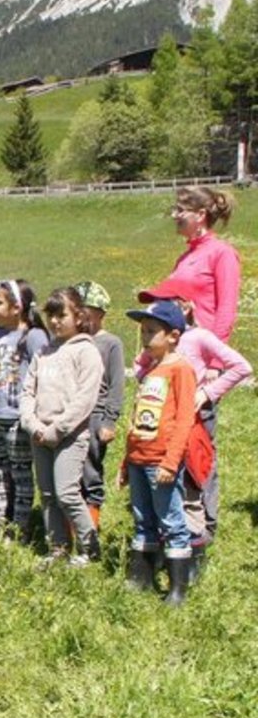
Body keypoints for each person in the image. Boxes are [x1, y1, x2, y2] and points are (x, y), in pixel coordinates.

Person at [134, 277, 252, 561]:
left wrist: (207, 393)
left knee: (193, 479)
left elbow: (241, 366)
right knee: (165, 484)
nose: (153, 310)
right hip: (161, 427)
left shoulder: (198, 337)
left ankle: (196, 543)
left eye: (161, 304)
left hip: (194, 421)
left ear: (185, 307)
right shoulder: (156, 344)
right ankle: (167, 544)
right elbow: (142, 376)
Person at [118, 300, 199, 604]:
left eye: (152, 331)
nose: (144, 336)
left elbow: (183, 420)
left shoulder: (181, 370)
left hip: (161, 461)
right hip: (140, 458)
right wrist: (127, 461)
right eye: (143, 330)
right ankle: (142, 576)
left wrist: (171, 460)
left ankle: (178, 586)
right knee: (143, 518)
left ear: (173, 336)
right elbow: (138, 418)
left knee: (171, 519)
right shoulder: (151, 371)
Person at [20, 287, 103, 565]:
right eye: (51, 315)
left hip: (69, 436)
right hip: (39, 434)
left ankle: (89, 547)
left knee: (66, 492)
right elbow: (28, 391)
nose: (55, 321)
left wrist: (57, 429)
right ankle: (58, 548)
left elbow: (84, 399)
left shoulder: (86, 352)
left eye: (62, 315)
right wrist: (32, 424)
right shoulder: (43, 352)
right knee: (47, 494)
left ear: (78, 316)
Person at [0, 279, 49, 537]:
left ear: (17, 306)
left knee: (20, 473)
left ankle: (21, 524)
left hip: (18, 417)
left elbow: (43, 374)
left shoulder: (33, 336)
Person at [74, 282, 126, 535]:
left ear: (101, 313)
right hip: (72, 415)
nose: (82, 316)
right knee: (71, 472)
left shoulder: (110, 343)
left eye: (87, 310)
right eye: (77, 310)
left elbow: (117, 385)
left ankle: (90, 527)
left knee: (90, 470)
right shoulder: (69, 342)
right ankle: (72, 526)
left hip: (95, 415)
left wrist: (109, 421)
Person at [165, 186, 240, 342]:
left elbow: (226, 310)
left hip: (204, 354)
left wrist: (215, 360)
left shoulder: (222, 253)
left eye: (180, 210)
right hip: (179, 350)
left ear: (200, 215)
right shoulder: (183, 258)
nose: (174, 216)